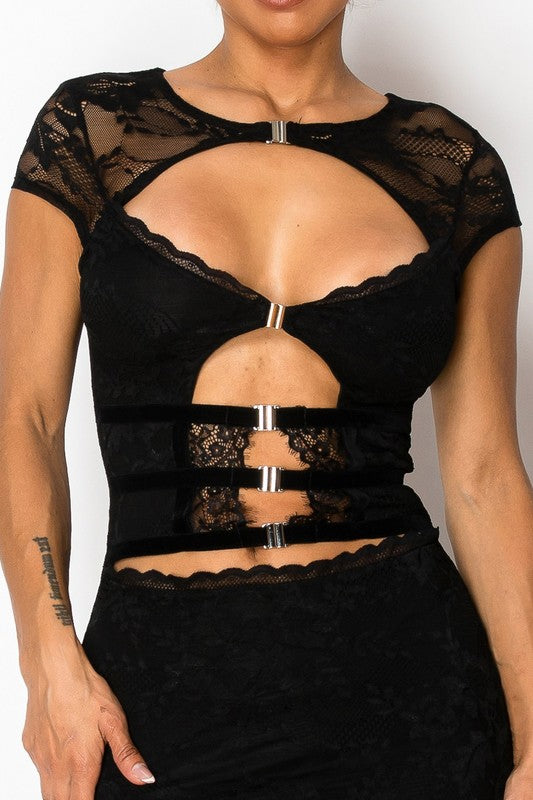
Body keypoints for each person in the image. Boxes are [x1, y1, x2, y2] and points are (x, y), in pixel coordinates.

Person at [1, 0, 531, 797]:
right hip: (159, 693)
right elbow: (27, 419)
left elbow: (484, 475)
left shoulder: (454, 167)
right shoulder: (89, 130)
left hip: (411, 687)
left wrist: (532, 742)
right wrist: (46, 663)